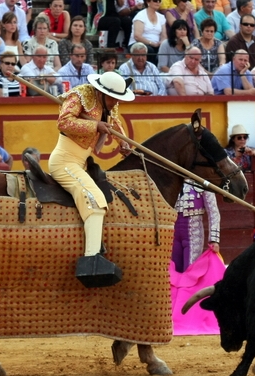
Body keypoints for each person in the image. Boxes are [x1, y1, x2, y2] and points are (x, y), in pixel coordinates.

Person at [49, 71, 134, 286]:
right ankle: (91, 260)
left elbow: (114, 124)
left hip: (82, 163)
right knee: (95, 200)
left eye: (118, 98)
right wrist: (95, 125)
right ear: (101, 92)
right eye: (113, 97)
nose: (116, 102)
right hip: (64, 162)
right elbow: (64, 122)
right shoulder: (78, 96)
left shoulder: (109, 103)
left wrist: (123, 143)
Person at [172, 180, 221, 273]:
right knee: (173, 272)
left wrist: (214, 239)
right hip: (172, 235)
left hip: (194, 234)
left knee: (189, 270)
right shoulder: (173, 180)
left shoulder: (202, 183)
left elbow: (213, 213)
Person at [131, 0, 167, 64]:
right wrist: (152, 43)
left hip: (156, 44)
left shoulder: (161, 17)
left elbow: (164, 35)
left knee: (165, 48)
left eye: (160, 1)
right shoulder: (141, 15)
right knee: (150, 50)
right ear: (148, 2)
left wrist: (161, 43)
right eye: (155, 0)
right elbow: (137, 36)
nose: (158, 2)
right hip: (139, 43)